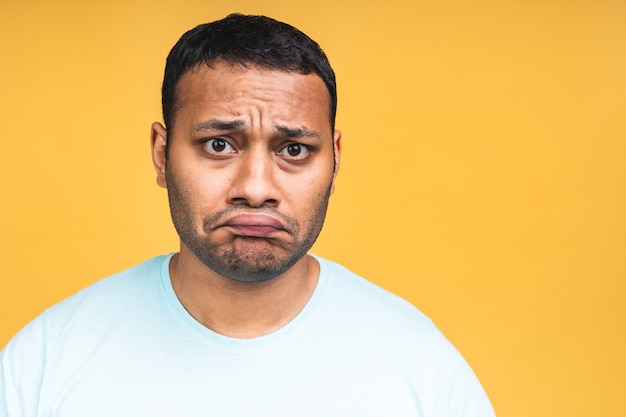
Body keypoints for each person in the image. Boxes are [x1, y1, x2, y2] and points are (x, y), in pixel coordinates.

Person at [0, 13, 495, 417]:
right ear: (161, 154)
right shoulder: (45, 362)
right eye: (219, 145)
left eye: (295, 150)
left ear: (335, 161)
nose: (256, 189)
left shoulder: (420, 367)